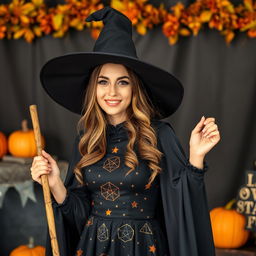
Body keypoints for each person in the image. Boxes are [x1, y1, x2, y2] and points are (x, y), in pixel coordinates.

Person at [30, 6, 220, 256]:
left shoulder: (158, 134)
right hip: (92, 248)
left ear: (134, 88)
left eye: (122, 82)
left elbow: (181, 205)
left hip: (143, 248)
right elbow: (78, 216)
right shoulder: (87, 139)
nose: (112, 93)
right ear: (93, 88)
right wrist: (54, 182)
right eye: (103, 82)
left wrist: (196, 157)